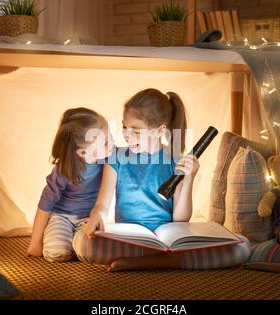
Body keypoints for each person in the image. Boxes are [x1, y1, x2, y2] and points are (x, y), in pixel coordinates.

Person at [73, 89, 250, 271]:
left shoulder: (174, 160)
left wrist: (188, 179)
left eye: (136, 131)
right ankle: (165, 261)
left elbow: (181, 219)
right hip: (130, 239)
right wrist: (96, 216)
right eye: (124, 127)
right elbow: (102, 204)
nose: (126, 135)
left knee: (242, 245)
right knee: (81, 241)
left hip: (168, 239)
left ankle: (145, 261)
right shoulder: (115, 157)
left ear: (159, 131)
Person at [27, 107, 113, 262]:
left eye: (110, 136)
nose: (112, 143)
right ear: (82, 153)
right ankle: (62, 238)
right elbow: (45, 205)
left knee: (93, 251)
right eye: (105, 142)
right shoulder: (64, 170)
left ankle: (76, 242)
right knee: (56, 252)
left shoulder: (109, 161)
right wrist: (35, 242)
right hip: (61, 217)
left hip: (89, 218)